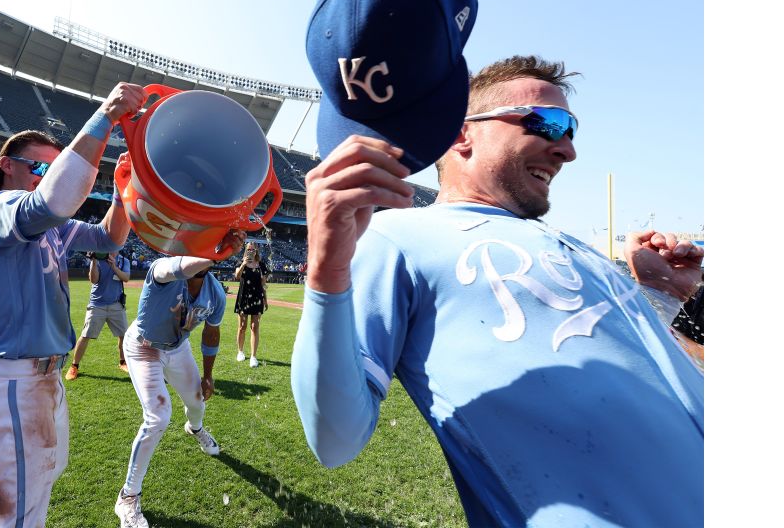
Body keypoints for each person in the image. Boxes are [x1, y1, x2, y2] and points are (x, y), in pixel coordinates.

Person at [292, 55, 704, 527]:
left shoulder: (581, 249)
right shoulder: (400, 236)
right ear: (461, 133)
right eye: (549, 124)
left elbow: (646, 373)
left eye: (571, 131)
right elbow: (334, 439)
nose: (567, 150)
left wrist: (661, 294)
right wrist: (326, 267)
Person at [0, 82, 145, 527]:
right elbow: (56, 199)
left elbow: (111, 238)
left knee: (38, 491)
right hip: (14, 384)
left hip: (43, 378)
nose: (45, 174)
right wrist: (105, 116)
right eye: (37, 166)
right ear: (6, 166)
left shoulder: (53, 227)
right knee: (17, 516)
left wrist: (120, 190)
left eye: (52, 167)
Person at [114, 238, 243, 528]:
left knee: (197, 402)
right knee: (158, 415)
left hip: (177, 347)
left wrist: (208, 375)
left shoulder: (215, 294)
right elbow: (183, 266)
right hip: (144, 346)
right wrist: (214, 251)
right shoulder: (163, 269)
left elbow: (211, 334)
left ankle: (195, 429)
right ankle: (128, 497)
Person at [65, 250, 132, 379]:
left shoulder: (124, 260)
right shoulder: (98, 258)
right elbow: (94, 280)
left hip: (116, 304)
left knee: (123, 335)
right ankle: (74, 366)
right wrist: (94, 262)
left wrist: (114, 267)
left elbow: (126, 278)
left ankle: (123, 362)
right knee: (85, 335)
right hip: (97, 304)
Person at [233, 242, 270, 367]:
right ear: (246, 250)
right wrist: (244, 263)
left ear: (257, 251)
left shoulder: (261, 265)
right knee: (242, 326)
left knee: (255, 327)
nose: (251, 251)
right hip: (243, 296)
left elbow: (263, 284)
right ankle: (240, 351)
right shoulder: (240, 262)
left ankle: (253, 357)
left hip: (257, 297)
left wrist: (265, 299)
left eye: (253, 249)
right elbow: (237, 276)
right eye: (249, 249)